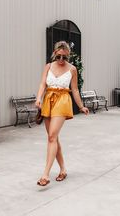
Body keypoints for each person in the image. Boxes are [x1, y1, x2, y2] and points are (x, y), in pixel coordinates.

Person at [35, 41, 89, 186]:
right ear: (54, 54)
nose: (61, 60)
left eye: (64, 57)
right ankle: (63, 169)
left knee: (52, 136)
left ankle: (45, 175)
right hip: (48, 100)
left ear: (68, 56)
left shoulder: (72, 69)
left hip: (63, 100)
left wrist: (81, 106)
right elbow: (42, 84)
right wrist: (38, 98)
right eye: (58, 56)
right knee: (54, 138)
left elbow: (75, 90)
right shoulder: (48, 66)